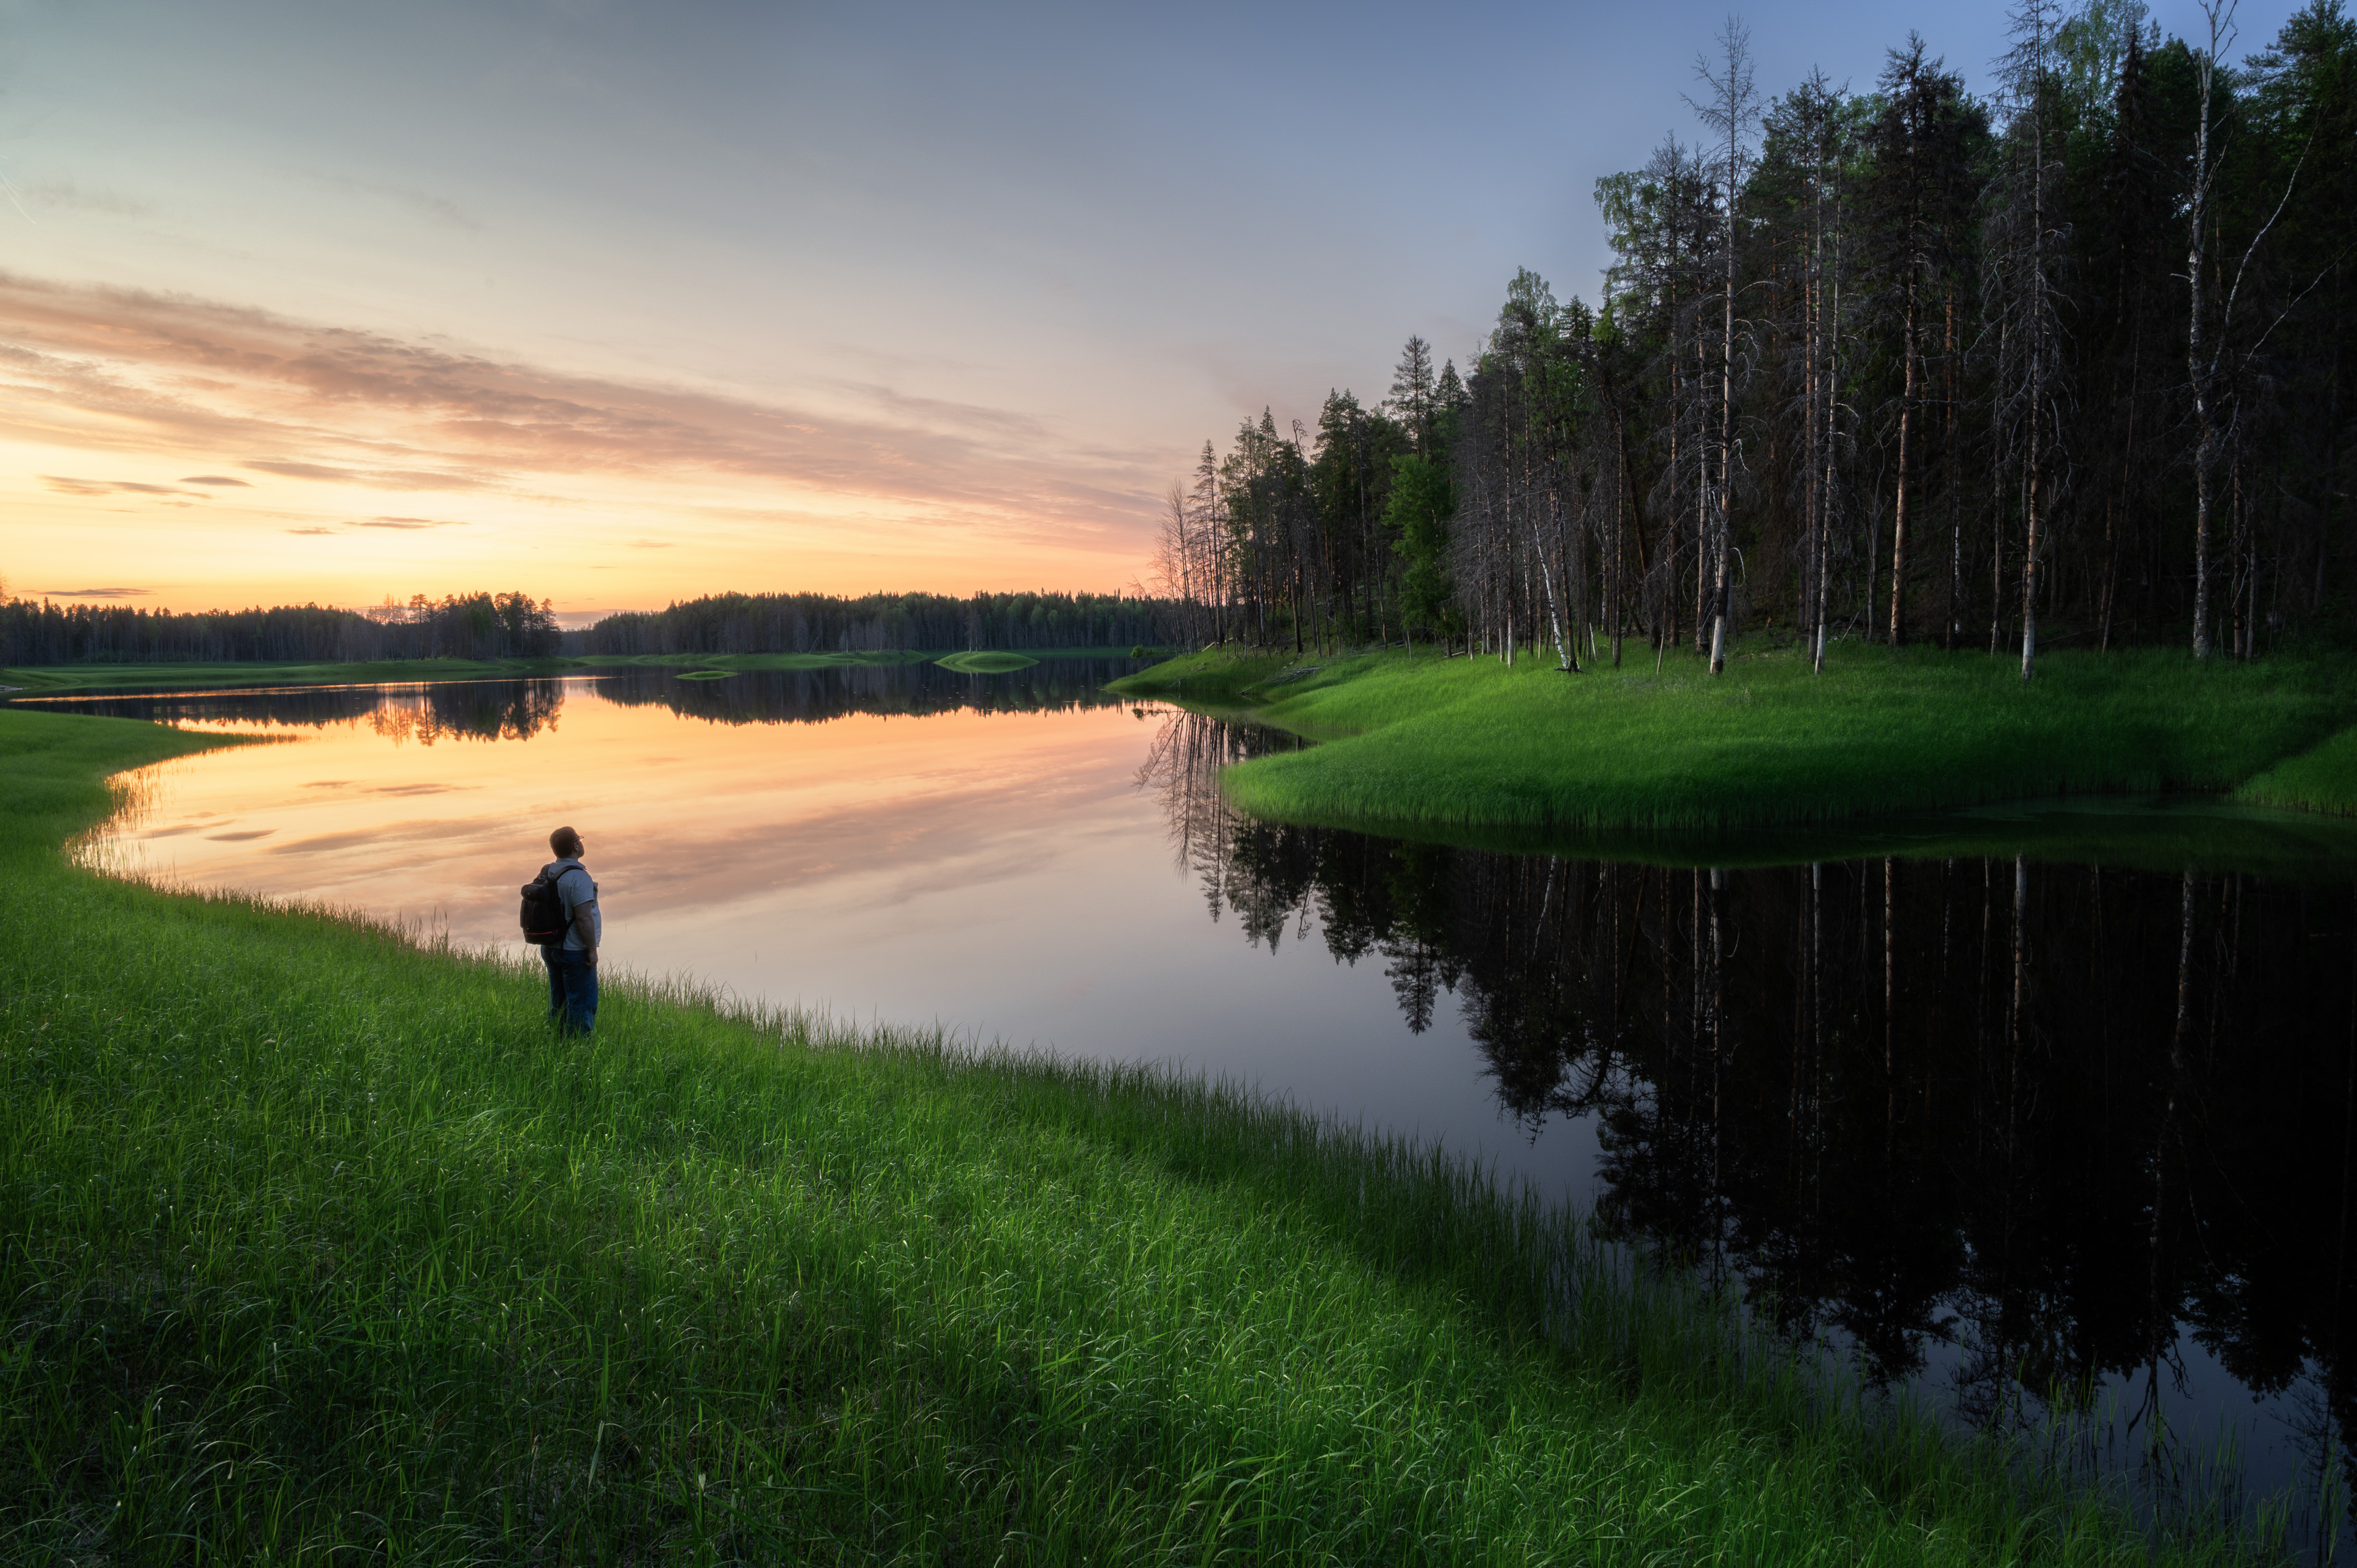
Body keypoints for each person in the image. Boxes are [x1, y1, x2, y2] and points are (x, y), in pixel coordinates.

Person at [540, 825, 600, 1035]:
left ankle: (555, 1041)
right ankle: (578, 1050)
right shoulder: (579, 877)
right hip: (574, 950)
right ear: (576, 845)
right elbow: (584, 918)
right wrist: (592, 951)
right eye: (580, 839)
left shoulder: (549, 871)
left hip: (551, 947)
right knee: (582, 1003)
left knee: (558, 999)